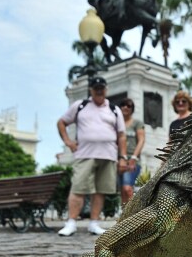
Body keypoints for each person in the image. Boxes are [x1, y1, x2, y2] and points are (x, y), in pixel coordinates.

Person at [57, 76, 127, 236]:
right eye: (96, 88)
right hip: (85, 154)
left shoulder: (114, 110)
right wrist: (68, 141)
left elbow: (121, 135)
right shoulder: (80, 106)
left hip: (108, 155)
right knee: (78, 188)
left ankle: (94, 223)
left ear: (106, 89)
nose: (99, 90)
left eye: (102, 88)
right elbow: (61, 122)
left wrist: (122, 157)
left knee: (100, 190)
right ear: (91, 90)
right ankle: (71, 223)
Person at [118, 97, 145, 205]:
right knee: (122, 191)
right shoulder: (117, 124)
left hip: (132, 160)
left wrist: (134, 157)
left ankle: (133, 215)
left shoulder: (137, 123)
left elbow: (141, 140)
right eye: (123, 105)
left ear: (132, 109)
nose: (125, 107)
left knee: (127, 188)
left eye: (129, 105)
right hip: (119, 160)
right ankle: (125, 216)